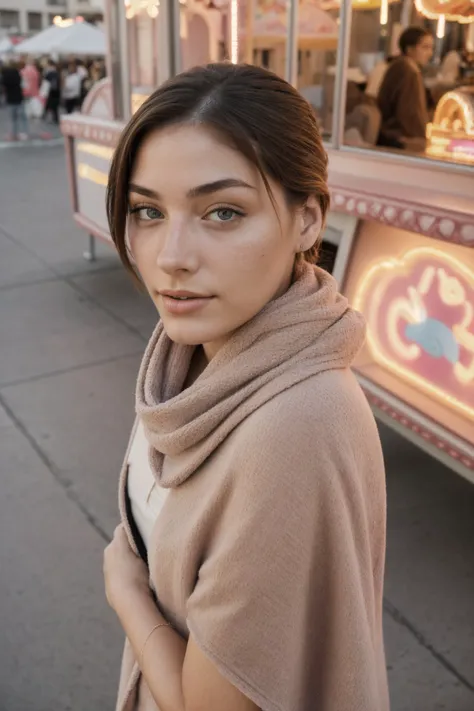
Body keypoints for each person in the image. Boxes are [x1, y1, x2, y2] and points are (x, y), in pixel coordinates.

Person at [103, 63, 389, 711]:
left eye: (223, 212)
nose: (171, 254)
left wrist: (125, 589)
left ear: (309, 220)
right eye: (148, 210)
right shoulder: (187, 358)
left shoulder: (294, 426)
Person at [377, 26, 434, 148]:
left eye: (431, 48)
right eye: (425, 47)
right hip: (399, 139)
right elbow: (410, 112)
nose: (430, 53)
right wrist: (420, 139)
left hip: (390, 134)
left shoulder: (399, 65)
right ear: (410, 49)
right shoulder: (409, 70)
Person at [1, 59, 29, 140]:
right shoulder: (19, 74)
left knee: (13, 118)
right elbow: (24, 85)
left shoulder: (5, 75)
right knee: (22, 117)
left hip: (10, 99)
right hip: (19, 98)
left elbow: (3, 87)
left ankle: (13, 134)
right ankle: (24, 133)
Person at [43, 58, 61, 124]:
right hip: (56, 91)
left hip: (52, 91)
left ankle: (45, 115)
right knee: (54, 106)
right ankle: (55, 118)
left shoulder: (50, 72)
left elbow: (46, 80)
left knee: (50, 105)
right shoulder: (56, 72)